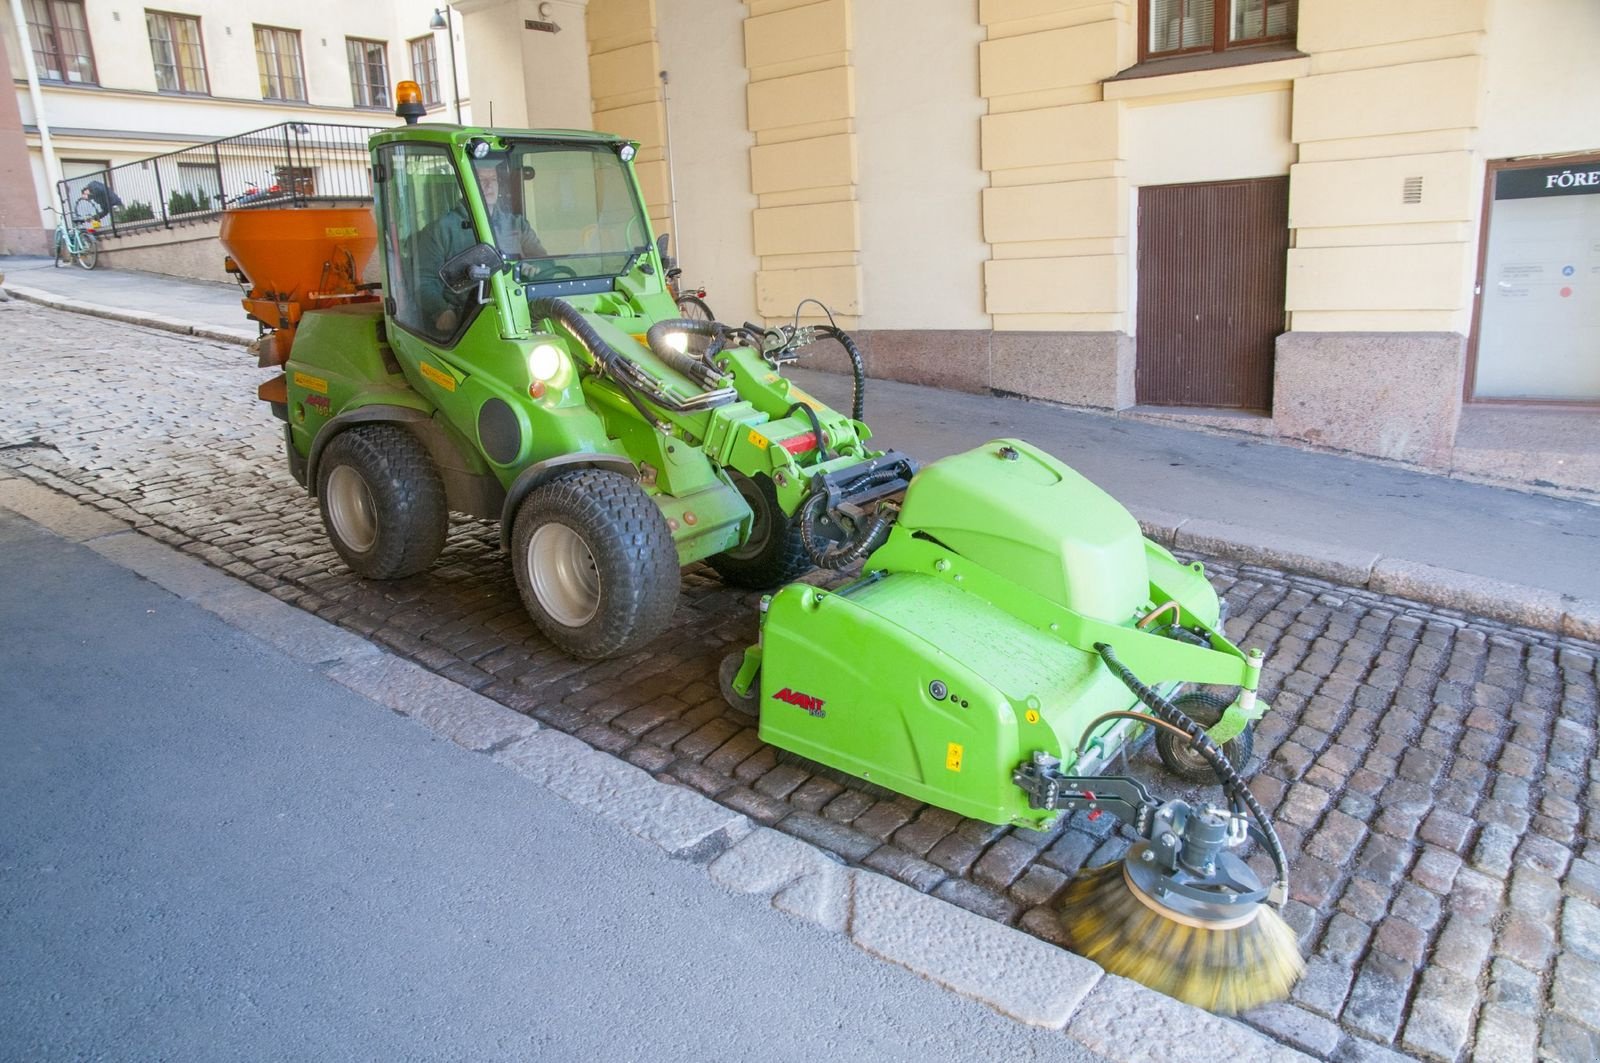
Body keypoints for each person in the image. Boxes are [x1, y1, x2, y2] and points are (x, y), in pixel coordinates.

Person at [415, 159, 548, 335]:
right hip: (466, 318)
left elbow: (546, 263)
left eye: (493, 179)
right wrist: (442, 311)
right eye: (480, 179)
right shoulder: (442, 229)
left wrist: (534, 268)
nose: (488, 185)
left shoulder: (517, 224)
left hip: (519, 311)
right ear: (466, 185)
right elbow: (424, 280)